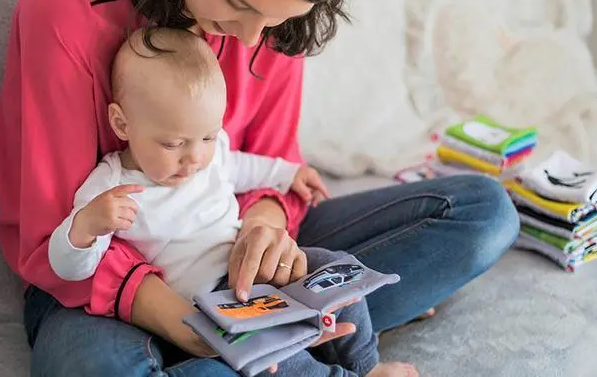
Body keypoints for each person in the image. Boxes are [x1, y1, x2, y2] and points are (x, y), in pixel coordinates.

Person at [0, 0, 520, 376]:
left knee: (484, 213)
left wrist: (263, 237)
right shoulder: (67, 3)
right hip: (98, 282)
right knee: (94, 366)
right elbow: (53, 234)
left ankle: (281, 337)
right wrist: (191, 325)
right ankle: (273, 344)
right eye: (235, 2)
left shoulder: (270, 17)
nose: (250, 39)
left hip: (229, 249)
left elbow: (270, 164)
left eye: (278, 18)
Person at [46, 27, 417, 376]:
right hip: (211, 302)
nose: (194, 159)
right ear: (122, 124)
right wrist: (86, 228)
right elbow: (69, 267)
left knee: (339, 270)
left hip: (256, 266)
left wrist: (287, 174)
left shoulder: (208, 151)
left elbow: (240, 166)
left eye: (207, 137)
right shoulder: (112, 185)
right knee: (273, 355)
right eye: (173, 144)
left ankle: (367, 363)